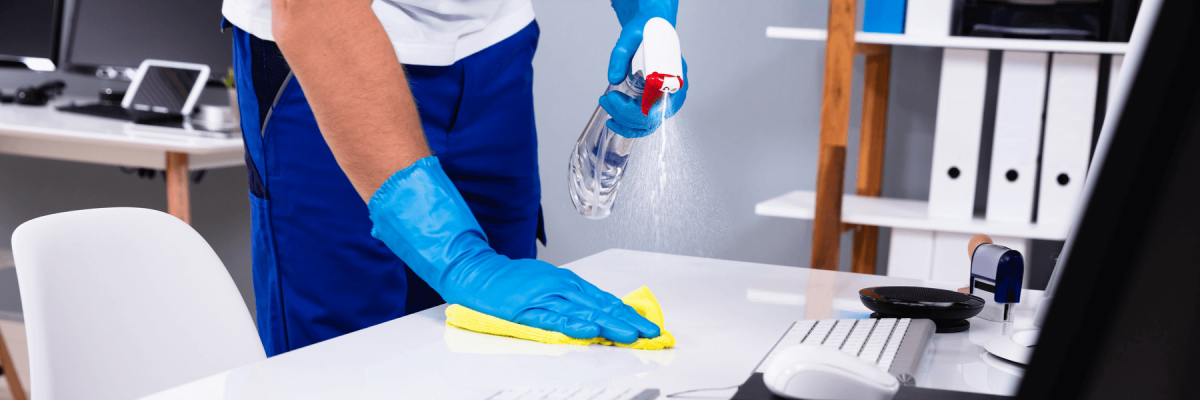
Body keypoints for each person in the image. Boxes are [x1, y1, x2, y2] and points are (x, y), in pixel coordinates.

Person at [221, 0, 689, 356]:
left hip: (494, 46)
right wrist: (460, 259)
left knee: (505, 346)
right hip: (331, 48)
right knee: (346, 358)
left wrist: (650, 17)